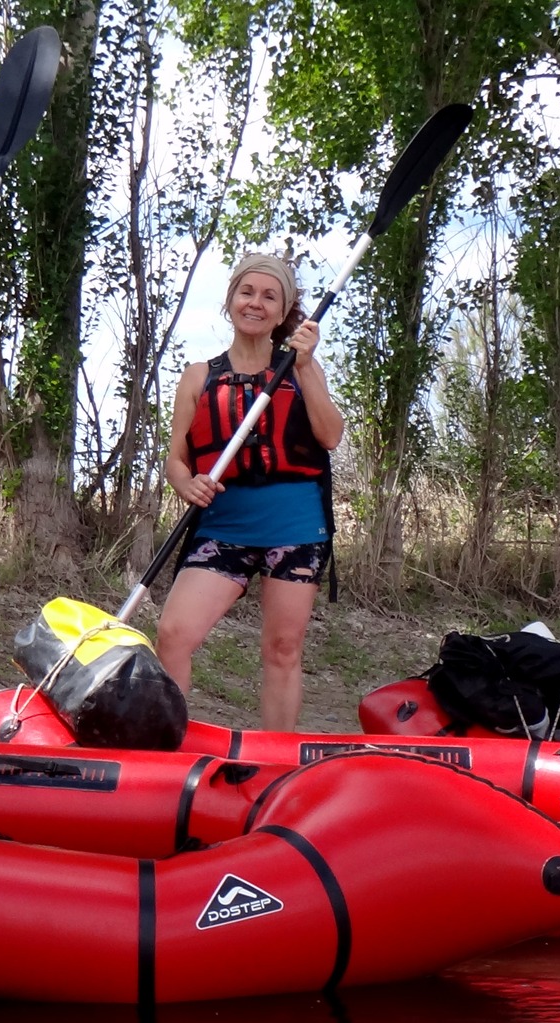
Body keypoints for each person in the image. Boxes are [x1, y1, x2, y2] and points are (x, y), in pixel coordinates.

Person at [156, 252, 345, 730]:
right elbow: (175, 461)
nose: (255, 303)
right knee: (174, 634)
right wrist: (187, 484)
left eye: (269, 296)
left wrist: (304, 366)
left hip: (296, 527)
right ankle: (171, 749)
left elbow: (330, 436)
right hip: (224, 527)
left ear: (283, 313)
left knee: (282, 650)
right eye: (247, 292)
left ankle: (274, 767)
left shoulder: (300, 368)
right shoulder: (199, 376)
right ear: (230, 300)